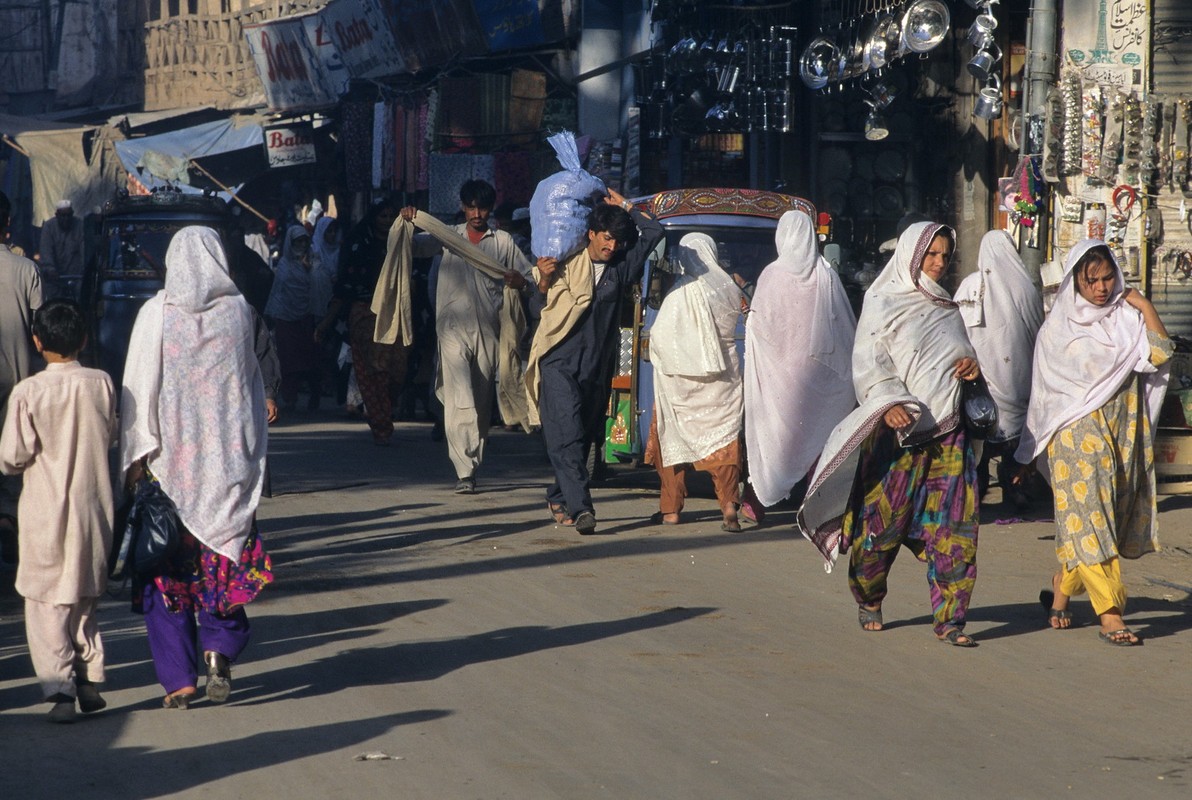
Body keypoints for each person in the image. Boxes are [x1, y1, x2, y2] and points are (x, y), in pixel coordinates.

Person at [797, 222, 983, 647]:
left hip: (948, 435)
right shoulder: (882, 302)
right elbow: (870, 363)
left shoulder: (947, 307)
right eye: (929, 255)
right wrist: (891, 402)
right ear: (911, 256)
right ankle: (868, 595)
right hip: (896, 436)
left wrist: (971, 367)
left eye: (943, 256)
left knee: (956, 527)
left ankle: (952, 620)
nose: (937, 264)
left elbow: (958, 357)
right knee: (880, 529)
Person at [120, 226, 272, 709]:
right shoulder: (238, 313)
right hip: (226, 469)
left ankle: (180, 682)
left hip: (172, 473)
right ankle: (218, 650)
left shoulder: (156, 314)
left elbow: (139, 386)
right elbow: (249, 388)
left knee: (166, 577)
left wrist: (136, 456)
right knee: (220, 567)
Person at [1015, 240, 1172, 646]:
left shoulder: (1126, 319)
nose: (1101, 288)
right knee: (1093, 518)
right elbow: (1047, 394)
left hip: (1120, 431)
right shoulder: (1057, 330)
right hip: (1074, 435)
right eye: (1091, 281)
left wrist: (1144, 306)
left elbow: (1159, 354)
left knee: (1097, 517)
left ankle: (1061, 589)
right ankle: (1110, 614)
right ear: (1075, 283)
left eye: (1107, 278)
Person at [0, 299, 115, 723]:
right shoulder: (101, 383)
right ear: (84, 339)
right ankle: (89, 675)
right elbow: (112, 433)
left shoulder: (29, 392)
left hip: (46, 511)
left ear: (36, 341)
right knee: (84, 594)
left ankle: (62, 689)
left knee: (47, 602)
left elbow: (11, 456)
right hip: (94, 507)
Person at [527, 189, 664, 534]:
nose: (612, 246)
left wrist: (626, 207)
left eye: (617, 240)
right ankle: (582, 508)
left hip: (597, 365)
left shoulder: (620, 269)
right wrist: (543, 280)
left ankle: (559, 495)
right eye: (606, 238)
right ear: (590, 233)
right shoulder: (564, 264)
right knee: (567, 433)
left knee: (587, 435)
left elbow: (655, 232)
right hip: (559, 362)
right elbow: (536, 312)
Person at [399, 180, 534, 492]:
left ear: (489, 209)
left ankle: (472, 465)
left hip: (488, 330)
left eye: (482, 207)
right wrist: (408, 222)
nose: (477, 213)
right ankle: (463, 471)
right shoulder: (449, 236)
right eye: (471, 207)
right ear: (462, 206)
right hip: (451, 330)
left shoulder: (502, 242)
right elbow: (415, 247)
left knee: (481, 399)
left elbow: (528, 278)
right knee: (462, 398)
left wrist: (518, 282)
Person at [743, 209, 856, 521]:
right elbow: (845, 328)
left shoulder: (772, 275)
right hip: (820, 378)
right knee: (818, 440)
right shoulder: (827, 275)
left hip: (782, 380)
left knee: (774, 439)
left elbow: (761, 327)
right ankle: (816, 508)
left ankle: (756, 504)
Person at [644, 233, 745, 530]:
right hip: (723, 383)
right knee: (725, 445)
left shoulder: (680, 292)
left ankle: (671, 511)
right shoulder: (729, 287)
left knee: (671, 440)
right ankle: (729, 509)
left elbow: (660, 337)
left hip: (680, 387)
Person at [955, 230, 1045, 504]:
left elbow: (956, 328)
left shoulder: (970, 285)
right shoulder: (1025, 287)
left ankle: (976, 495)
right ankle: (1017, 490)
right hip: (1018, 377)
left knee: (979, 438)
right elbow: (1038, 331)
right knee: (1015, 441)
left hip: (980, 376)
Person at [316, 199, 406, 445]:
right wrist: (326, 323)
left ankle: (383, 412)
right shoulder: (357, 245)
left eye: (391, 216)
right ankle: (381, 424)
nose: (387, 221)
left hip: (396, 314)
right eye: (382, 216)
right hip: (363, 314)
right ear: (373, 218)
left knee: (395, 370)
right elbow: (344, 287)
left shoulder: (402, 244)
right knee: (373, 370)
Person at [0, 190, 44, 567]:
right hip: (17, 386)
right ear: (8, 224)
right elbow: (41, 330)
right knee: (14, 466)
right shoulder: (26, 269)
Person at [265, 225, 327, 411]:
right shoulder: (284, 265)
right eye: (297, 241)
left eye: (304, 241)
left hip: (307, 317)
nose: (301, 245)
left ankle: (314, 396)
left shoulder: (315, 263)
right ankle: (289, 397)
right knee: (288, 359)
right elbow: (278, 291)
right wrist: (271, 315)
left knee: (310, 358)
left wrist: (310, 270)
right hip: (285, 317)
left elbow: (321, 288)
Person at [37, 200, 85, 300]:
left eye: (68, 215)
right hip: (55, 277)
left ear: (72, 214)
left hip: (75, 275)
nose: (66, 219)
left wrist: (84, 269)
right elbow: (46, 251)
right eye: (63, 216)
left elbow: (83, 250)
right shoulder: (49, 227)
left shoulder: (80, 225)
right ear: (57, 215)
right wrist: (50, 269)